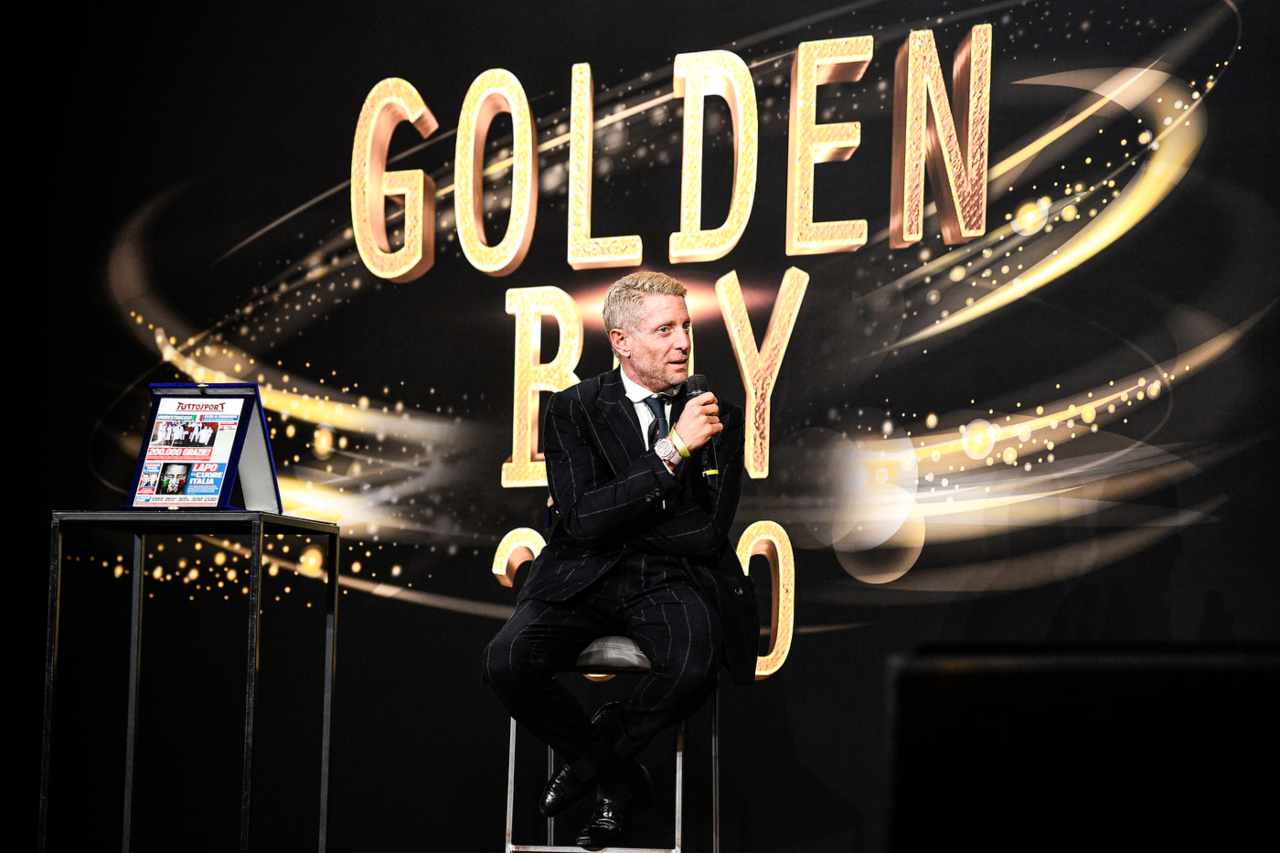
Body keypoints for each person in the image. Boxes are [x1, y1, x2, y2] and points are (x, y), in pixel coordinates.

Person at [483, 271, 757, 850]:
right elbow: (583, 522)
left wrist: (609, 511)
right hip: (581, 574)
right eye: (664, 330)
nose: (682, 343)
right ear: (621, 341)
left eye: (686, 327)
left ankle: (595, 757)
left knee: (691, 663)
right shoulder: (573, 409)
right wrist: (672, 451)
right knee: (508, 660)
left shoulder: (718, 416)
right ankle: (618, 777)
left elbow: (707, 531)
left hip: (669, 577)